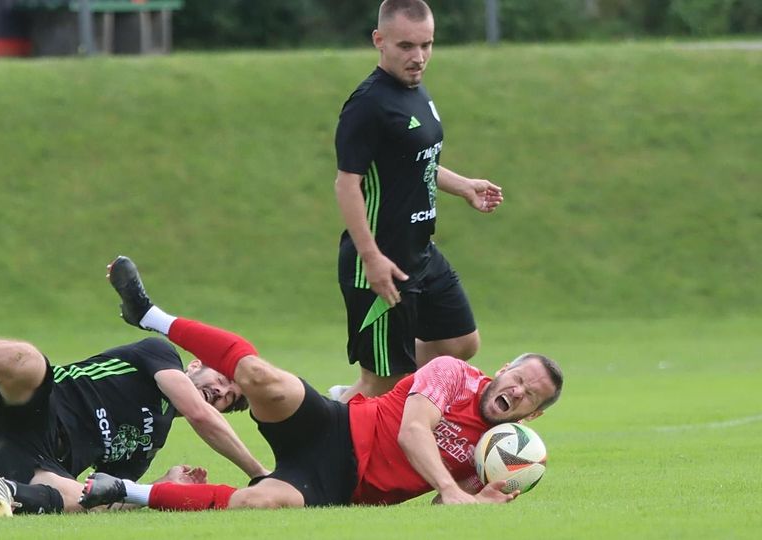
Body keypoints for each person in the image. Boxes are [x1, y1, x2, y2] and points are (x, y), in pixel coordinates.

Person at [78, 256, 563, 511]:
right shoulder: (453, 372)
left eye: (531, 395)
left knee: (259, 503)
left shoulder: (499, 451)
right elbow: (413, 431)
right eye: (519, 378)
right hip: (334, 426)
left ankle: (123, 490)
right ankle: (150, 315)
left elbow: (442, 507)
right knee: (262, 377)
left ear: (534, 414)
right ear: (504, 369)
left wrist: (475, 500)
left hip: (338, 485)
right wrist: (452, 490)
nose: (517, 391)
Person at [0, 286, 268, 517]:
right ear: (197, 364)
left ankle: (4, 493)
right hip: (27, 408)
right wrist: (261, 476)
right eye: (223, 380)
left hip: (28, 463)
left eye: (230, 399)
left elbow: (112, 497)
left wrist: (167, 483)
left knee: (85, 500)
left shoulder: (149, 443)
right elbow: (197, 413)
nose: (221, 393)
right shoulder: (159, 354)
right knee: (25, 359)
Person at [332, 0, 505, 402]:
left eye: (426, 45)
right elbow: (347, 184)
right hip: (382, 260)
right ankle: (340, 412)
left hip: (421, 253)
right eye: (406, 46)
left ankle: (355, 398)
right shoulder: (367, 104)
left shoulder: (415, 92)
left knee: (460, 342)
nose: (419, 57)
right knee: (383, 382)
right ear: (379, 40)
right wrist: (372, 258)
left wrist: (463, 185)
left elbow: (415, 162)